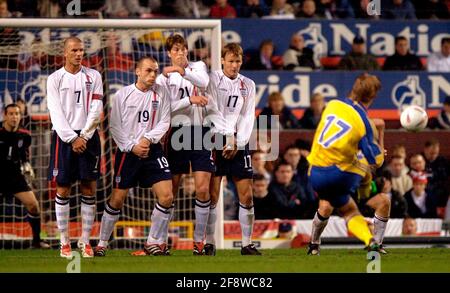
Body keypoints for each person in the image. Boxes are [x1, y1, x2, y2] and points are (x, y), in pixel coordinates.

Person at [94, 57, 172, 257]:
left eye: (155, 71)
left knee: (167, 196)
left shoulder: (161, 93)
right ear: (137, 71)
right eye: (148, 71)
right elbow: (114, 127)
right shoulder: (123, 95)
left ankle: (152, 243)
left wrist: (147, 138)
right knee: (117, 199)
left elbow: (164, 121)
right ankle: (102, 243)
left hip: (152, 150)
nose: (153, 75)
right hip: (127, 153)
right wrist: (132, 146)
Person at [157, 34, 222, 256]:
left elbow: (203, 83)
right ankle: (161, 241)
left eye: (183, 48)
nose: (181, 52)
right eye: (176, 49)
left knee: (203, 189)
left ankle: (199, 243)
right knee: (171, 189)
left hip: (201, 132)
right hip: (177, 133)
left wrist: (182, 71)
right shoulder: (163, 78)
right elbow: (164, 109)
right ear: (169, 53)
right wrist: (189, 100)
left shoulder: (198, 66)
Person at [306, 73, 384, 255]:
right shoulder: (362, 122)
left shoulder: (331, 105)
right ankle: (368, 226)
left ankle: (314, 245)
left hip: (315, 173)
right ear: (372, 98)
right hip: (341, 175)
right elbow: (375, 160)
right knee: (351, 208)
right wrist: (380, 138)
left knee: (337, 206)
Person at [47, 36, 103, 258]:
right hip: (64, 137)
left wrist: (85, 136)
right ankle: (64, 241)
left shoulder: (94, 76)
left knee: (89, 188)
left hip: (88, 137)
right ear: (65, 52)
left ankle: (85, 240)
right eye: (74, 50)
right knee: (63, 188)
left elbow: (96, 108)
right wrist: (72, 138)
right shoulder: (54, 79)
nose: (79, 54)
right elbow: (55, 112)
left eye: (81, 50)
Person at [207, 43, 261, 255]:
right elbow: (212, 110)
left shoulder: (248, 84)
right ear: (222, 60)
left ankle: (247, 244)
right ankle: (209, 242)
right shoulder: (212, 80)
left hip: (239, 143)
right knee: (212, 196)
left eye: (238, 61)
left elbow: (248, 115)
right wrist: (227, 137)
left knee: (246, 195)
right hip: (214, 140)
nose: (234, 65)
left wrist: (238, 142)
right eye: (230, 61)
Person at [0, 104, 50, 249]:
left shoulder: (25, 135)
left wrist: (27, 166)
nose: (14, 117)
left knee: (34, 205)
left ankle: (36, 242)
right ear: (5, 115)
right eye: (11, 114)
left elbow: (24, 156)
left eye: (17, 114)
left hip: (15, 177)